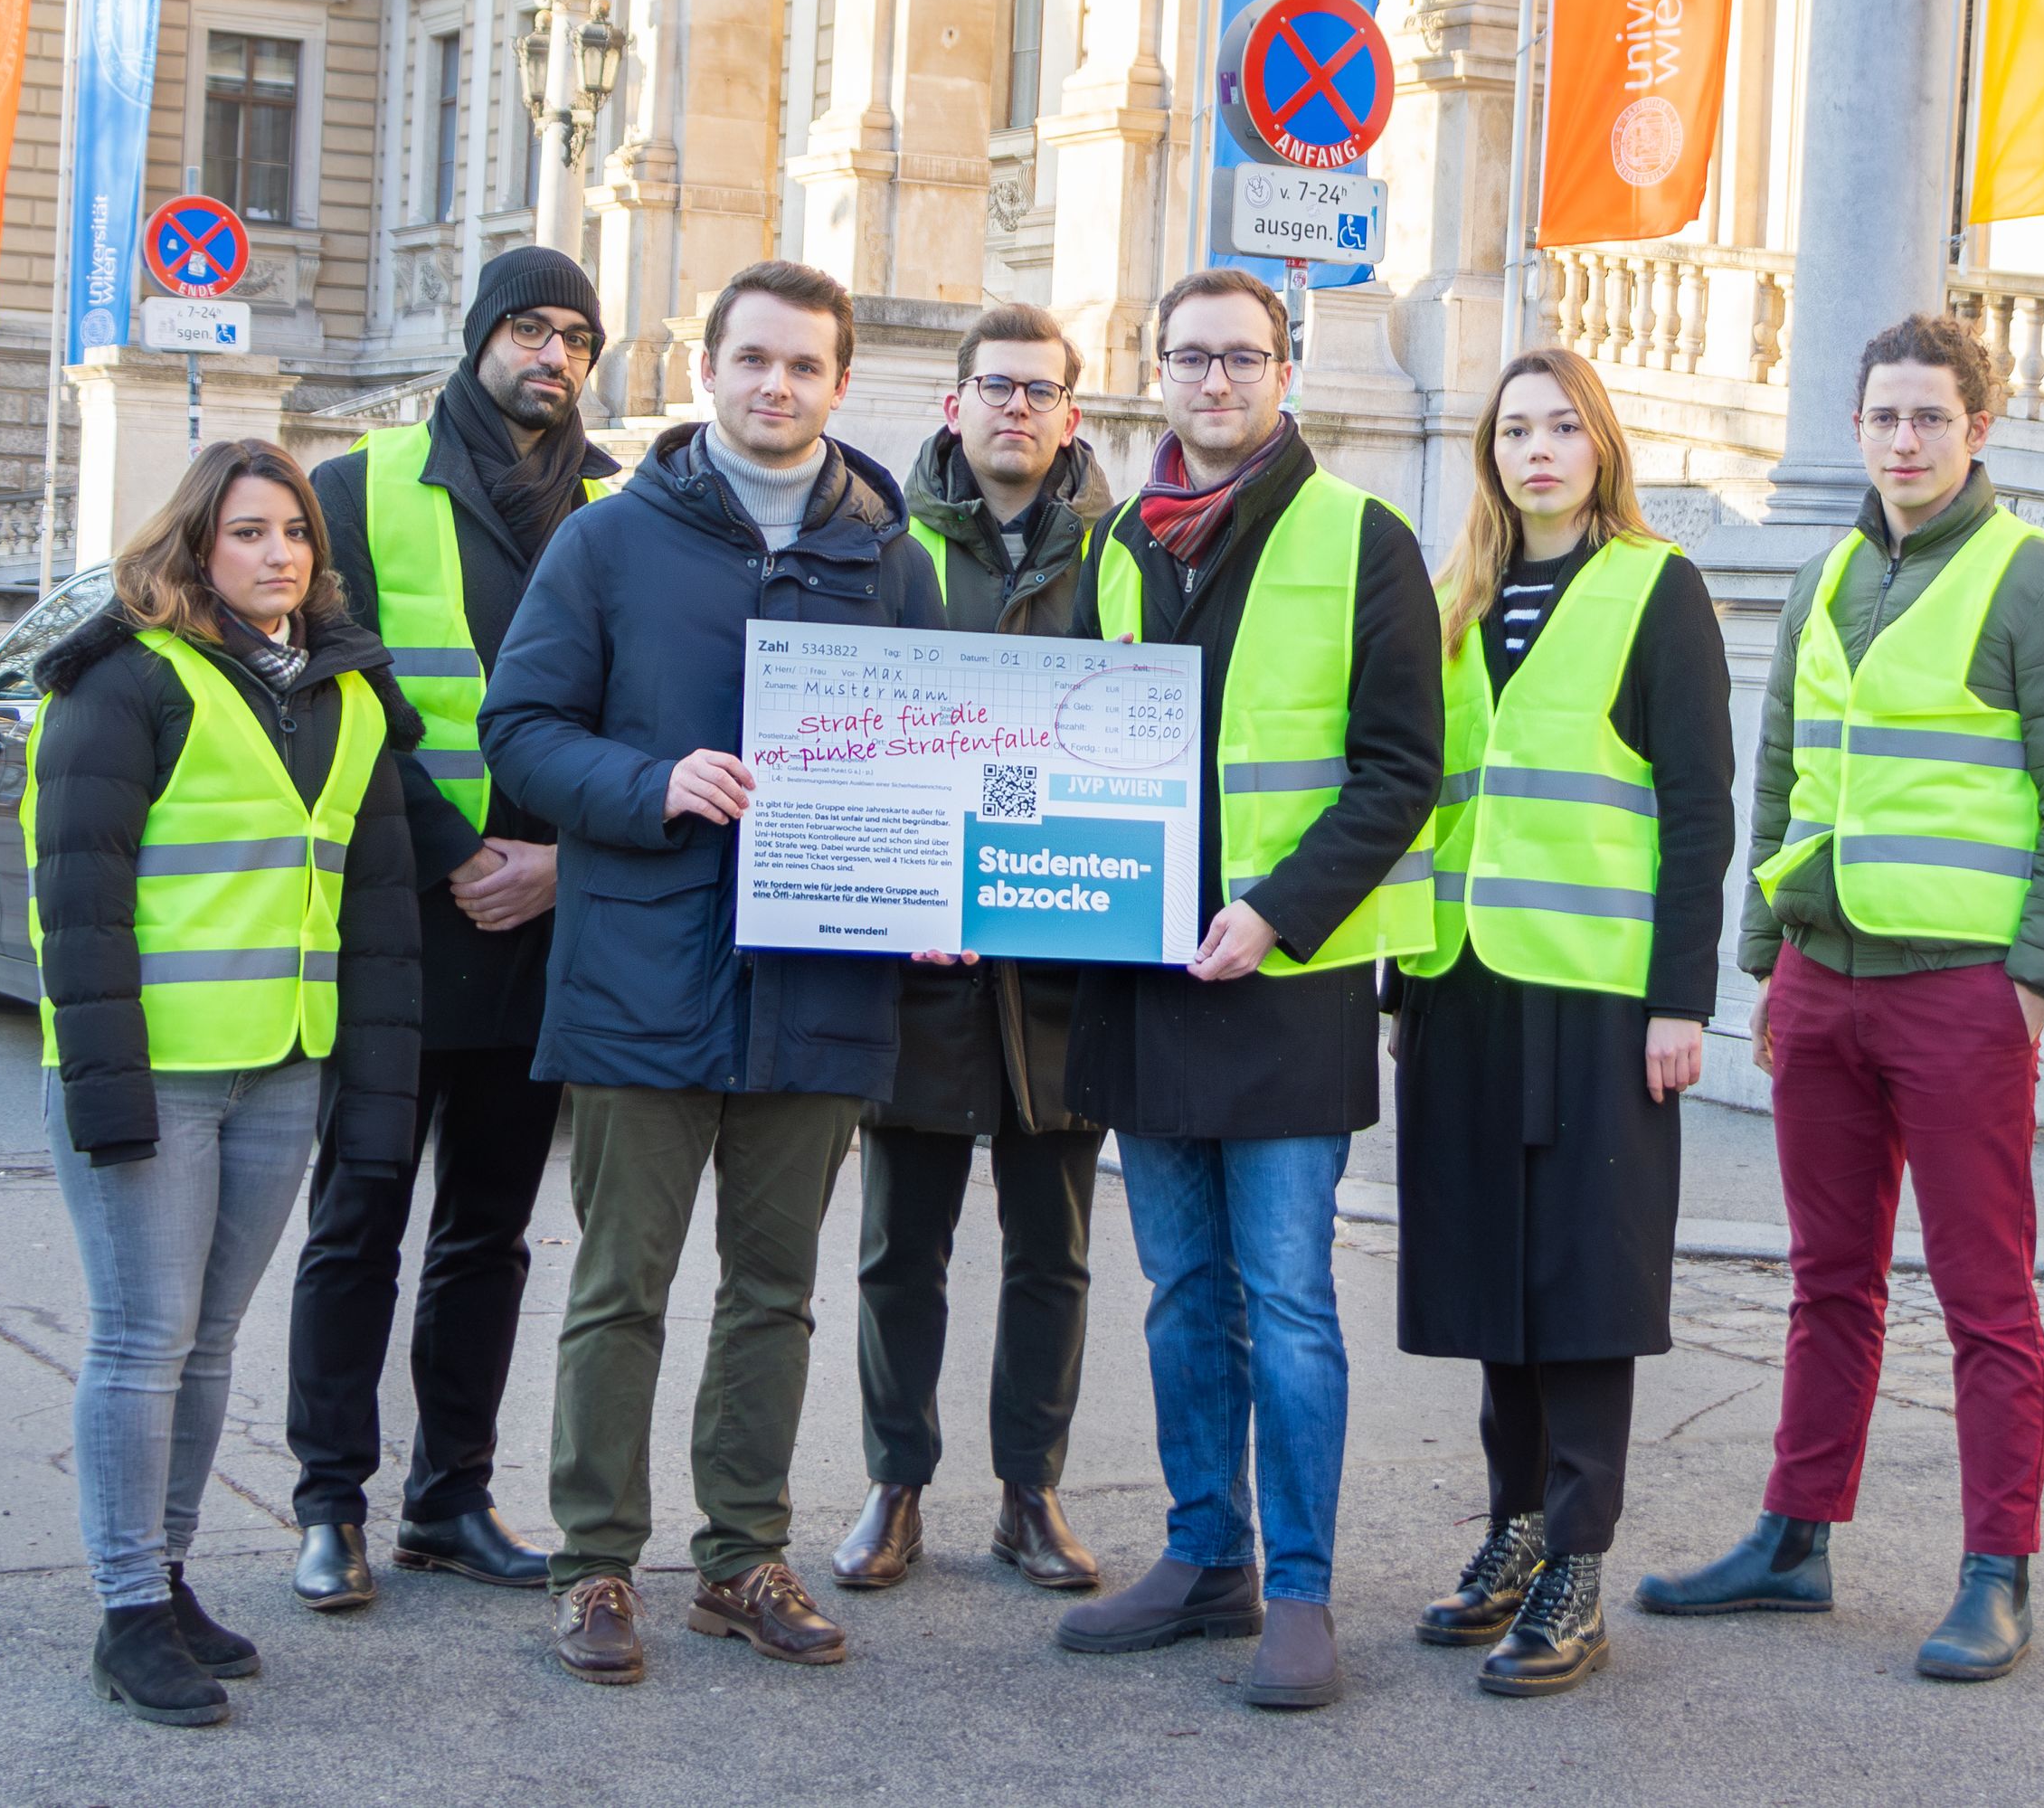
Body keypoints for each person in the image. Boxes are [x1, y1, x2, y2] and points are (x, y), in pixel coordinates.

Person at [1635, 313, 2044, 1682]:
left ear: (1980, 429)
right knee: (1828, 1283)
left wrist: (2037, 987)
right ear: (1856, 430)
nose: (1904, 441)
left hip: (1962, 996)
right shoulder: (1827, 579)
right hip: (1825, 986)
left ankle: (1997, 1571)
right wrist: (1763, 959)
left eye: (1930, 418)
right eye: (1883, 418)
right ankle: (1794, 1538)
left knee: (1986, 1294)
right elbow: (1783, 778)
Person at [482, 260, 934, 1686]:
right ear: (706, 368)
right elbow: (523, 729)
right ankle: (597, 1566)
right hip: (643, 973)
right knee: (621, 1285)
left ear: (840, 385)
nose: (776, 386)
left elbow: (935, 755)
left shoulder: (890, 557)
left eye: (804, 366)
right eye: (752, 360)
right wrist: (653, 781)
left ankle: (740, 1557)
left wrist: (938, 883)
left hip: (822, 980)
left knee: (775, 1289)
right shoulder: (612, 543)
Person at [1050, 268, 1443, 1711]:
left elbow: (1404, 769)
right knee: (1179, 1294)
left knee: (1286, 1298)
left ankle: (1303, 1591)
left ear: (1284, 372)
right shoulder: (1117, 548)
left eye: (1242, 356)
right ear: (1155, 373)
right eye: (1189, 356)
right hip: (1148, 978)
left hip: (1288, 981)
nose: (1215, 380)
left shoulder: (1362, 538)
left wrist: (1274, 915)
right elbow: (1081, 753)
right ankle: (1205, 1553)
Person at [22, 438, 425, 1728]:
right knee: (143, 1342)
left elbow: (379, 918)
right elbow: (76, 901)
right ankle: (127, 1610)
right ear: (197, 545)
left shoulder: (349, 698)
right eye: (249, 533)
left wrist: (373, 1095)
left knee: (204, 1348)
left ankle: (172, 1577)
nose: (278, 556)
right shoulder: (125, 681)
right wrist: (102, 1081)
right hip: (157, 1071)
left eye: (295, 534)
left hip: (284, 1067)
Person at [284, 250, 620, 1613]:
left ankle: (449, 1498)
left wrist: (555, 865)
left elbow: (647, 714)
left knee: (490, 1231)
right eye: (533, 329)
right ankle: (327, 1504)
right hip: (401, 924)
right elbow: (335, 689)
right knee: (357, 1215)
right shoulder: (356, 489)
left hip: (546, 925)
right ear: (481, 338)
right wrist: (459, 852)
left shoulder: (624, 503)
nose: (556, 355)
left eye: (579, 339)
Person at [1396, 346, 1735, 1696]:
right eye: (1514, 430)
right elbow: (1422, 798)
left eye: (1561, 428)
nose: (1537, 451)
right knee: (1494, 1277)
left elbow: (1700, 813)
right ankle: (1516, 1531)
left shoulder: (1659, 589)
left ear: (1601, 446)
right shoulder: (1454, 601)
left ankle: (1579, 1567)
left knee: (1585, 1283)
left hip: (1600, 997)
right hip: (1465, 985)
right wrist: (1399, 976)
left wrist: (1681, 1000)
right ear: (1490, 453)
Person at [832, 302, 1115, 1597]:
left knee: (1053, 1249)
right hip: (923, 967)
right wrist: (903, 895)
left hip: (1063, 967)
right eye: (994, 387)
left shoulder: (1123, 559)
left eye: (1040, 391)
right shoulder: (889, 554)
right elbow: (859, 741)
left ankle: (1030, 1495)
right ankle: (896, 1488)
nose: (1017, 409)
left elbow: (1140, 746)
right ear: (956, 405)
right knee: (903, 1246)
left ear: (1072, 413)